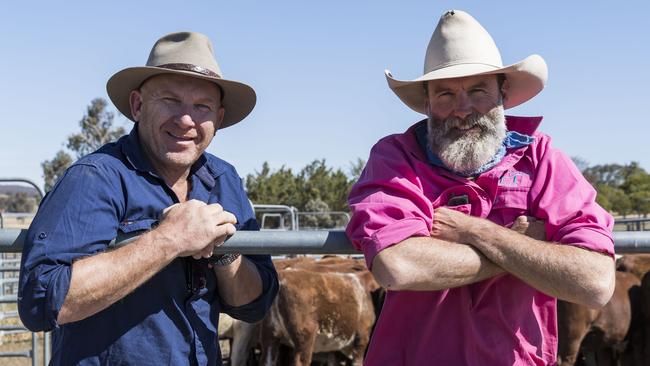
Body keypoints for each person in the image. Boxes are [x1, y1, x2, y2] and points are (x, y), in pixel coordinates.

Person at [346, 10, 615, 365]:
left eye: (478, 91)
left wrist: (476, 232)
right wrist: (526, 248)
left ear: (503, 92)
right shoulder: (397, 158)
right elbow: (399, 265)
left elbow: (594, 282)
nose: (462, 109)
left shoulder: (541, 159)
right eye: (444, 95)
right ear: (427, 102)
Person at [18, 32, 278, 365]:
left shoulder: (224, 180)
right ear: (138, 105)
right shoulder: (96, 177)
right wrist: (169, 239)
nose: (186, 120)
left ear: (219, 119)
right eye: (170, 100)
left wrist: (226, 255)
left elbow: (256, 304)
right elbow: (42, 300)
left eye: (202, 107)